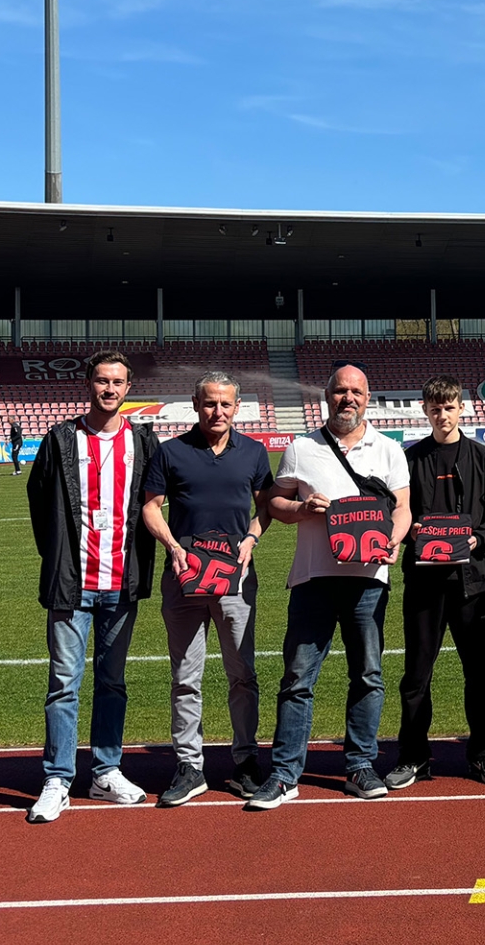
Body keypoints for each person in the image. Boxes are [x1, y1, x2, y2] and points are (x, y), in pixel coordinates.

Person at [248, 365, 411, 806]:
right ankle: (285, 774)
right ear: (326, 395)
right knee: (297, 679)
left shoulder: (389, 449)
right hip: (313, 579)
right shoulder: (301, 448)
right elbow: (275, 502)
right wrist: (301, 509)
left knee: (368, 676)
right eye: (340, 391)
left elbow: (402, 508)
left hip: (368, 582)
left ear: (367, 398)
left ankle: (360, 766)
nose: (347, 399)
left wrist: (393, 540)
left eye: (356, 392)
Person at [23, 352, 162, 823]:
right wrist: (58, 557)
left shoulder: (143, 440)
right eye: (102, 380)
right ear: (89, 384)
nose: (109, 389)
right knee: (64, 684)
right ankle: (57, 779)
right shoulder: (61, 438)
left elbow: (156, 502)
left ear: (128, 388)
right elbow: (39, 501)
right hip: (72, 583)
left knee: (112, 682)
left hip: (121, 584)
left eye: (117, 382)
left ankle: (105, 771)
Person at [140, 373, 273, 807]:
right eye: (210, 403)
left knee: (243, 674)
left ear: (237, 407)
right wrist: (173, 546)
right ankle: (189, 765)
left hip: (235, 578)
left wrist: (251, 539)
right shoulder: (171, 451)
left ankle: (246, 760)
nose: (218, 411)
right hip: (184, 577)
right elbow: (150, 507)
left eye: (225, 404)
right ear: (196, 404)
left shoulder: (253, 452)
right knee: (185, 676)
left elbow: (265, 507)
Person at [385, 375, 485, 789]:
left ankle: (483, 752)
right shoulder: (410, 459)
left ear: (462, 408)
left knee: (478, 672)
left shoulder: (482, 458)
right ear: (425, 410)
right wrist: (412, 531)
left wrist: (478, 538)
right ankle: (414, 756)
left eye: (450, 407)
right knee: (416, 673)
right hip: (425, 584)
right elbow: (395, 512)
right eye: (435, 408)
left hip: (470, 583)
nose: (443, 415)